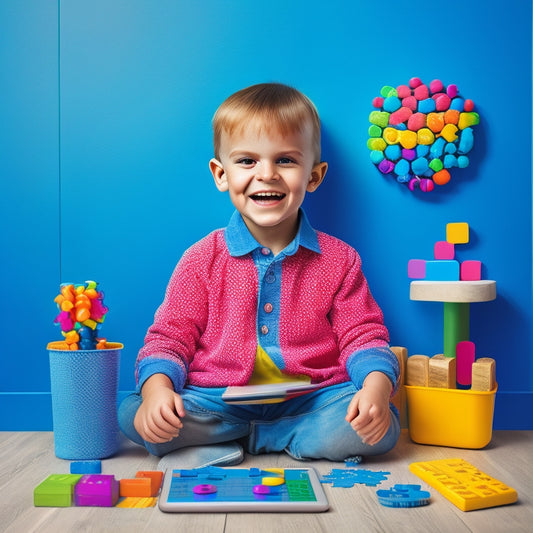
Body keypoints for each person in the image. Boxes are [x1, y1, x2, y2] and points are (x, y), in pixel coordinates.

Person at [118, 82, 400, 462]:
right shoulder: (201, 258)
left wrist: (376, 390)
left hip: (311, 402)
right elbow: (170, 338)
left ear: (313, 176)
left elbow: (362, 335)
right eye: (247, 161)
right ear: (221, 174)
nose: (267, 174)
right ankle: (241, 433)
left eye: (285, 160)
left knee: (378, 429)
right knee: (134, 416)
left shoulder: (340, 259)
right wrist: (156, 393)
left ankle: (261, 437)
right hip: (216, 403)